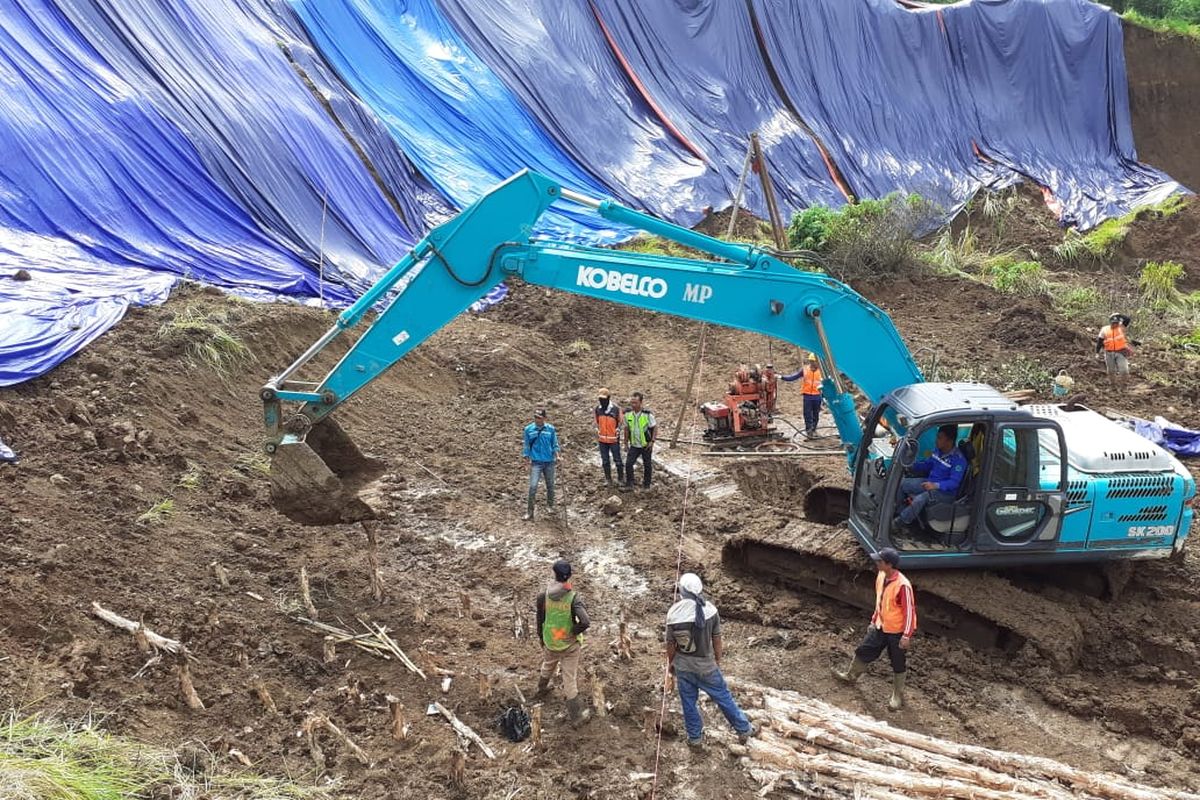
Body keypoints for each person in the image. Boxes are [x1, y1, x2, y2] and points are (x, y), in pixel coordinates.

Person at [665, 573, 756, 747]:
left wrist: (671, 665)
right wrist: (718, 661)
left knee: (688, 703)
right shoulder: (711, 611)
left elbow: (670, 645)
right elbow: (717, 639)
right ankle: (744, 729)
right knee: (723, 697)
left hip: (684, 667)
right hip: (707, 666)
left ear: (682, 591)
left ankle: (695, 738)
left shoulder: (673, 614)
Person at [832, 548, 916, 710]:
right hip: (880, 626)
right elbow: (881, 602)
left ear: (889, 564)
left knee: (898, 661)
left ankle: (897, 695)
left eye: (880, 561)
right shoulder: (881, 576)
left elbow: (910, 613)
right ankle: (850, 676)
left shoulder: (903, 586)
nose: (876, 563)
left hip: (896, 632)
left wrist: (906, 635)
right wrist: (874, 620)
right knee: (864, 650)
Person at [535, 559, 591, 724]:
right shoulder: (573, 598)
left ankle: (541, 690)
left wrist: (541, 638)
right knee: (569, 678)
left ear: (554, 575)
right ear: (569, 576)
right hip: (569, 645)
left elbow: (540, 619)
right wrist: (573, 632)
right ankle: (577, 716)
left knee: (548, 665)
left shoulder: (543, 596)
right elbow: (585, 622)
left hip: (551, 641)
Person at [893, 424, 967, 532]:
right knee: (901, 483)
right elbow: (927, 465)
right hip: (929, 483)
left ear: (949, 441)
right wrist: (910, 464)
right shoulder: (937, 451)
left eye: (940, 438)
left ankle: (899, 523)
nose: (936, 440)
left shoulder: (958, 460)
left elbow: (954, 482)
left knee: (920, 499)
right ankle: (901, 512)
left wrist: (935, 486)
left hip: (945, 493)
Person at [522, 408, 560, 521]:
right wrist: (526, 461)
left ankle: (550, 506)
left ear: (544, 418)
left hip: (549, 462)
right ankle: (530, 512)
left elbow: (555, 444)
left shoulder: (550, 429)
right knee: (533, 486)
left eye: (539, 418)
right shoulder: (528, 429)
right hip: (536, 462)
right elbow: (526, 446)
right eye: (535, 417)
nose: (537, 420)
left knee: (550, 485)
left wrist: (557, 456)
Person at [623, 392, 657, 490]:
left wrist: (652, 441)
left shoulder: (647, 415)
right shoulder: (628, 414)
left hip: (645, 445)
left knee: (647, 465)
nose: (633, 405)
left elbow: (654, 427)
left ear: (641, 403)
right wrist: (625, 443)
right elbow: (626, 429)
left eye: (635, 403)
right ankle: (630, 483)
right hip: (634, 445)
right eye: (632, 403)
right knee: (629, 464)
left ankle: (646, 485)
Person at [594, 388, 624, 486]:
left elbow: (621, 422)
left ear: (609, 398)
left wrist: (617, 430)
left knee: (618, 460)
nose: (602, 401)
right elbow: (597, 422)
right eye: (600, 399)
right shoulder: (597, 409)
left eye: (604, 399)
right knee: (605, 461)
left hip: (613, 440)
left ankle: (620, 479)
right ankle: (608, 479)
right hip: (602, 440)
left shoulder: (616, 409)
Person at [1096, 313, 1134, 382]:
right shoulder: (1104, 329)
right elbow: (1100, 341)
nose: (1115, 324)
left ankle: (1124, 384)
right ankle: (1113, 385)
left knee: (1124, 370)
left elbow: (1128, 319)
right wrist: (1097, 352)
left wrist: (1119, 315)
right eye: (1113, 323)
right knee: (1111, 371)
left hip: (1121, 352)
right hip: (1109, 353)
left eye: (1116, 322)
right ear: (1110, 322)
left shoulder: (1121, 327)